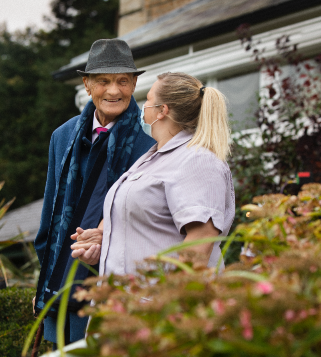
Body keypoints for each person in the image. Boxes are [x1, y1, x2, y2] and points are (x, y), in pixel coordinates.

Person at [33, 39, 155, 345]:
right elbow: (50, 212)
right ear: (87, 85)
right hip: (59, 281)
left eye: (122, 81)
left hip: (110, 289)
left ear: (134, 84)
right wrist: (47, 268)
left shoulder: (148, 149)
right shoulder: (62, 136)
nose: (113, 91)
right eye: (103, 81)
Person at [70, 72, 235, 276]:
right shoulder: (151, 158)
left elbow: (200, 240)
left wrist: (167, 302)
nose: (143, 106)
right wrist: (102, 236)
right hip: (128, 303)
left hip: (161, 305)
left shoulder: (197, 161)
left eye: (148, 99)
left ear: (162, 111)